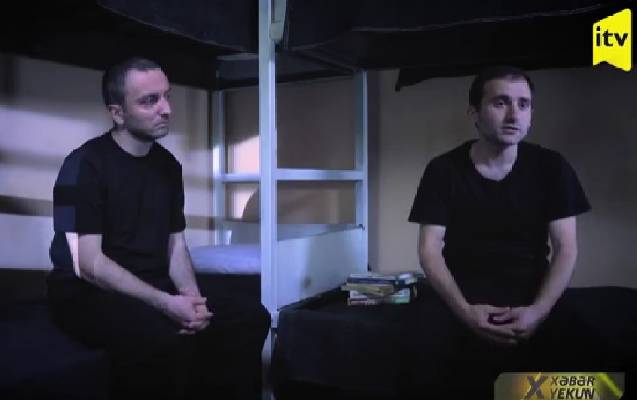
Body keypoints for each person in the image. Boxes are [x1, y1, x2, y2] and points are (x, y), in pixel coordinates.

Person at [47, 57, 270, 400]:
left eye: (167, 96)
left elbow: (175, 245)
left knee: (250, 316)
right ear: (118, 113)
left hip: (151, 282)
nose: (166, 109)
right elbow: (89, 264)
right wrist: (166, 303)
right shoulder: (84, 165)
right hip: (87, 293)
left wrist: (191, 299)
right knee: (160, 337)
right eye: (149, 101)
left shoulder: (168, 166)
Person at [407, 66, 596, 397]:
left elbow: (566, 249)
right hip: (461, 296)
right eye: (500, 103)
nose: (514, 115)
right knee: (423, 360)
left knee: (591, 372)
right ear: (474, 112)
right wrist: (466, 312)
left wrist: (538, 312)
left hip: (532, 295)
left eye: (524, 104)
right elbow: (429, 250)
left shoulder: (552, 167)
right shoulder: (443, 170)